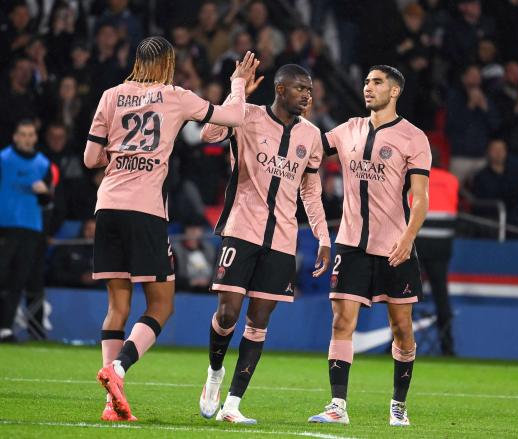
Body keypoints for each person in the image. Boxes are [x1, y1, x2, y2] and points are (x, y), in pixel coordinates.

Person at [84, 37, 257, 422]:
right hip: (145, 212)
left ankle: (111, 402)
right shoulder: (174, 95)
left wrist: (121, 155)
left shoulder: (111, 95)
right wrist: (239, 85)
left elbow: (90, 157)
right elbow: (234, 118)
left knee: (117, 307)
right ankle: (118, 369)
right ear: (167, 63)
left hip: (108, 206)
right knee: (162, 305)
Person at [197, 64, 331, 424]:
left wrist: (322, 236)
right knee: (227, 314)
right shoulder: (248, 116)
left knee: (258, 322)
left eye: (310, 89)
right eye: (300, 88)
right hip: (241, 229)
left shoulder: (313, 136)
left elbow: (311, 191)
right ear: (280, 88)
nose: (307, 94)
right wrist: (237, 86)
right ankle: (214, 374)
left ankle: (233, 405)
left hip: (283, 241)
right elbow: (208, 133)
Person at [309, 65, 431, 427]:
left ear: (395, 91)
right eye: (366, 82)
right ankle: (337, 405)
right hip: (351, 244)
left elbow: (420, 198)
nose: (368, 87)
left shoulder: (413, 137)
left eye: (376, 82)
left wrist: (408, 240)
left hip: (396, 247)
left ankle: (398, 404)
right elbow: (308, 148)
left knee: (402, 328)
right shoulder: (348, 129)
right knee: (342, 321)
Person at [0, 119, 53, 343]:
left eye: (30, 134)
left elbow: (48, 201)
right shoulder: (3, 160)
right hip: (5, 227)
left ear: (35, 137)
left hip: (31, 228)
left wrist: (44, 193)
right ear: (15, 136)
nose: (27, 138)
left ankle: (5, 328)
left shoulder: (43, 164)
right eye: (23, 134)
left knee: (18, 281)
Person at [415, 156, 458, 356]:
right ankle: (448, 346)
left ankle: (396, 344)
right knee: (442, 296)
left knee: (403, 294)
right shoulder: (452, 180)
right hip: (442, 246)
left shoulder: (415, 176)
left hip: (417, 243)